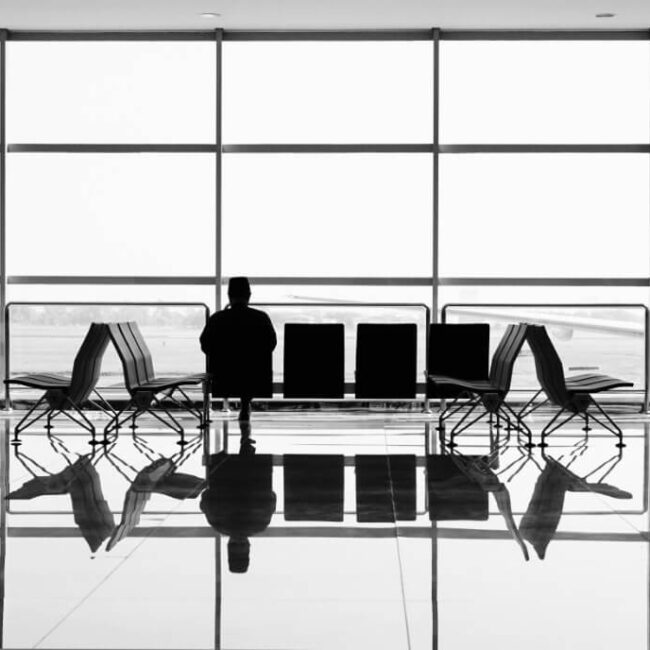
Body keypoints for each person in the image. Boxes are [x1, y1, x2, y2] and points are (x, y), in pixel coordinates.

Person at [200, 277, 277, 420]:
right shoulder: (261, 318)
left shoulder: (217, 319)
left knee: (236, 371)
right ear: (249, 296)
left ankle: (243, 404)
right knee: (249, 370)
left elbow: (205, 344)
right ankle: (246, 404)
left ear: (229, 296)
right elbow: (271, 343)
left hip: (223, 377)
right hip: (255, 376)